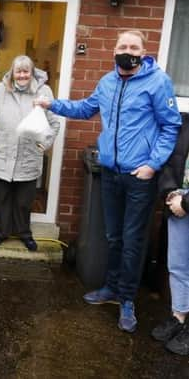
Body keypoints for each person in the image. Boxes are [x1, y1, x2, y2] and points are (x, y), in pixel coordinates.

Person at [35, 30, 181, 333]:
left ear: (143, 52)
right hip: (111, 173)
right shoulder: (108, 82)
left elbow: (170, 127)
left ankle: (127, 300)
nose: (127, 50)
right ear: (114, 50)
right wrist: (52, 105)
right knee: (113, 237)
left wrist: (152, 166)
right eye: (122, 46)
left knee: (131, 241)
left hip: (139, 178)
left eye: (133, 47)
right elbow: (85, 108)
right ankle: (112, 288)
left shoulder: (158, 82)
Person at [0, 55, 60, 252]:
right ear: (12, 73)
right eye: (18, 71)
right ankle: (1, 233)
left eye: (26, 71)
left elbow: (54, 122)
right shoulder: (0, 90)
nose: (22, 75)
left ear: (32, 73)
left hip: (28, 157)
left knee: (24, 201)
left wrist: (44, 144)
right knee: (2, 198)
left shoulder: (43, 91)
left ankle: (24, 233)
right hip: (3, 154)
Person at [151, 112, 189, 355]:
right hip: (177, 207)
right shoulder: (182, 125)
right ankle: (179, 317)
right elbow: (168, 161)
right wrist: (171, 194)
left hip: (184, 205)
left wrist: (186, 202)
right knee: (178, 267)